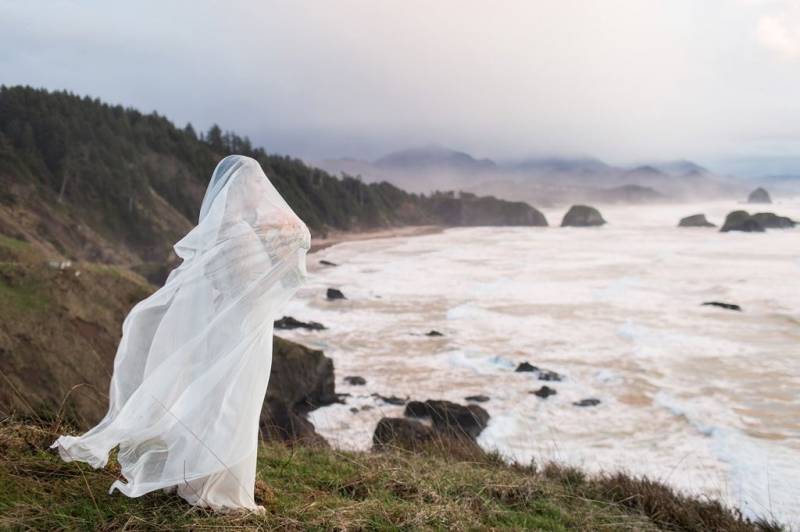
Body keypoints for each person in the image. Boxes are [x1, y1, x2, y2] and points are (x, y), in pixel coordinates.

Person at [51, 155, 310, 511]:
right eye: (254, 184)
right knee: (231, 405)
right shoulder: (239, 235)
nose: (260, 190)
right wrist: (287, 256)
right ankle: (217, 489)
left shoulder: (225, 229)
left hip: (231, 330)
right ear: (239, 188)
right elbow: (254, 288)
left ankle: (199, 476)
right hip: (240, 332)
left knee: (218, 404)